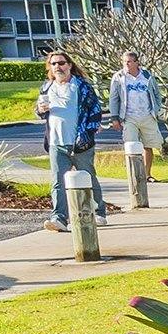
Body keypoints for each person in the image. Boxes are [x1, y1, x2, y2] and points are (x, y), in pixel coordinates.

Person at [35, 51, 109, 233]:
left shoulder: (81, 86)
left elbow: (95, 111)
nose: (57, 67)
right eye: (53, 64)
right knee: (58, 182)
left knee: (89, 177)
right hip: (56, 143)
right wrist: (40, 109)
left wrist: (88, 133)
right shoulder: (47, 88)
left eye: (61, 63)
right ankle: (58, 218)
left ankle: (99, 212)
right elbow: (40, 111)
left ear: (69, 65)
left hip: (80, 143)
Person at [110, 50, 168, 171]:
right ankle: (134, 174)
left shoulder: (147, 76)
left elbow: (157, 94)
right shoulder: (119, 77)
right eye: (124, 62)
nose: (126, 64)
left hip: (147, 115)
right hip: (129, 117)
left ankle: (147, 174)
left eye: (129, 62)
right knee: (131, 146)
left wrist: (156, 109)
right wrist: (115, 117)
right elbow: (113, 98)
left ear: (137, 62)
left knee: (148, 146)